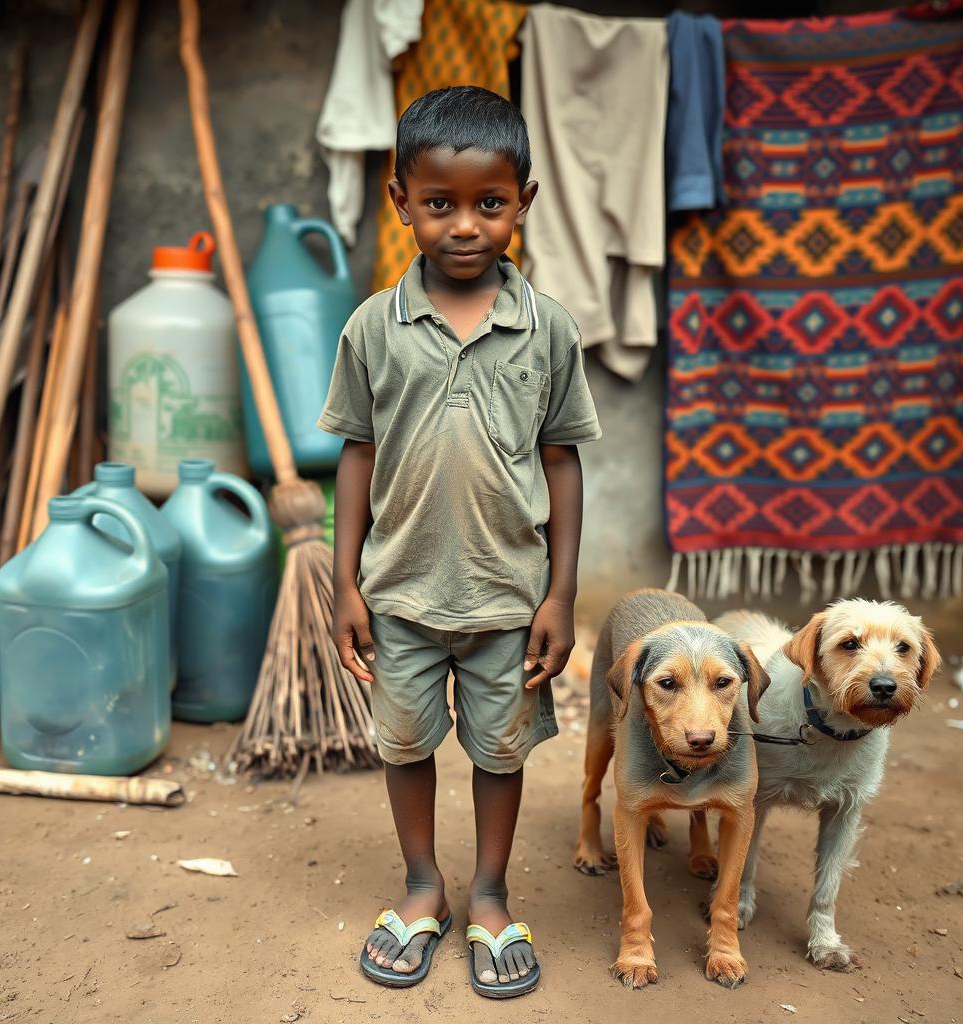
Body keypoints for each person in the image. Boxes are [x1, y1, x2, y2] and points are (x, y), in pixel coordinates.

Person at [318, 85, 601, 999]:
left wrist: (558, 595)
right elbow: (357, 456)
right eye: (440, 204)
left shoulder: (547, 327)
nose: (466, 226)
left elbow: (562, 464)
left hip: (507, 598)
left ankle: (487, 890)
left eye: (489, 204)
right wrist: (344, 582)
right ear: (402, 201)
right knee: (404, 745)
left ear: (523, 200)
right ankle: (421, 884)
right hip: (398, 589)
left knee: (498, 752)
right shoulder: (373, 327)